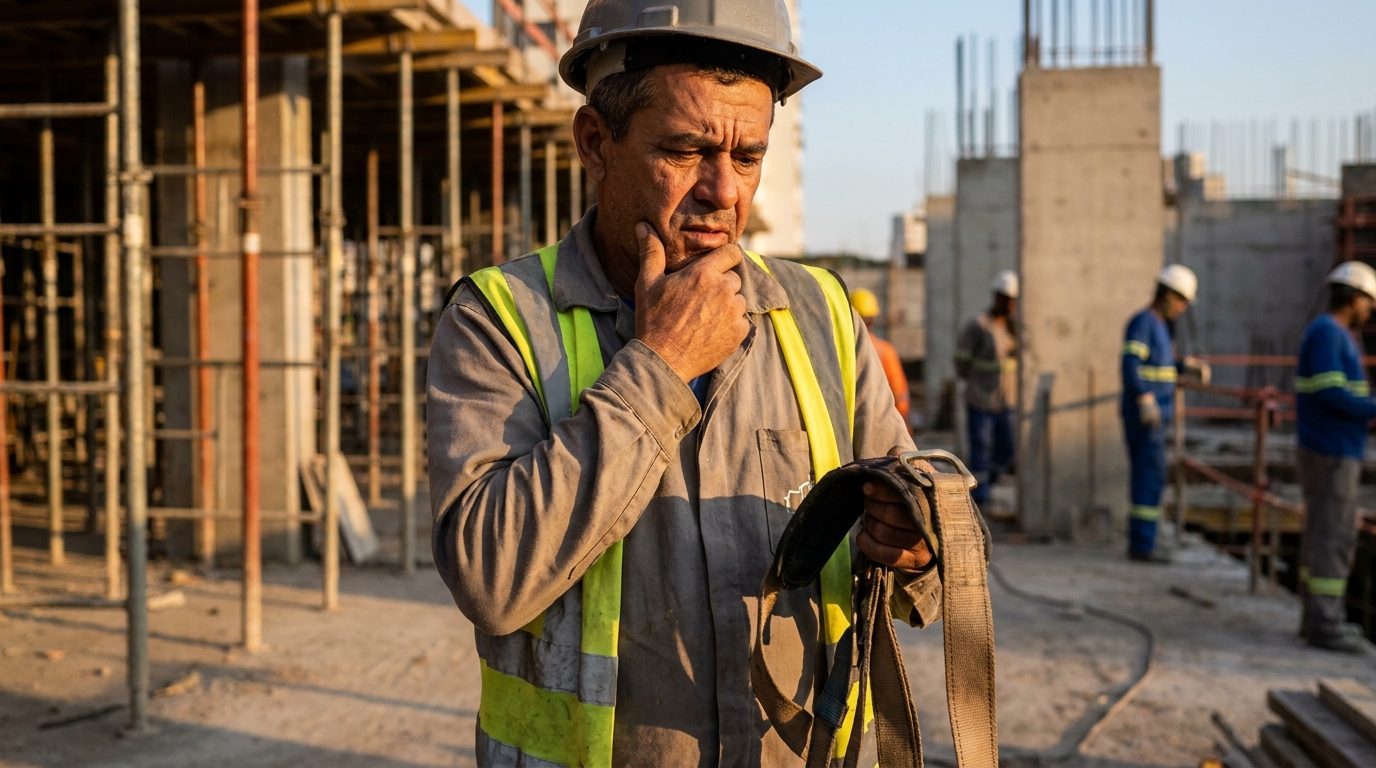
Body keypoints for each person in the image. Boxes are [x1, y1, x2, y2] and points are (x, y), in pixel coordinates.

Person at [426, 2, 942, 764]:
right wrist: (660, 367)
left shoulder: (822, 314)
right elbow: (492, 579)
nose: (724, 191)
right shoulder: (502, 319)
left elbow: (918, 544)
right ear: (596, 144)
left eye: (748, 157)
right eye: (687, 149)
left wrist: (917, 545)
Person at [1294, 261, 1376, 654]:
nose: (1370, 311)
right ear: (1354, 297)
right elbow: (1330, 392)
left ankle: (1314, 617)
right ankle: (1326, 624)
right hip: (1332, 450)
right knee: (1335, 535)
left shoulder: (1334, 334)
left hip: (1329, 446)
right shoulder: (1329, 334)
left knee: (1321, 533)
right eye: (1368, 303)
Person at [1120, 264, 1207, 562]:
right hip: (1146, 416)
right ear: (1168, 295)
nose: (1182, 308)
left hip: (1156, 415)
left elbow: (1158, 367)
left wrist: (1184, 366)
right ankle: (1143, 545)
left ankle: (1144, 540)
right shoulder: (1144, 323)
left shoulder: (1160, 326)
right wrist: (1144, 398)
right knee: (1149, 478)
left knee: (1151, 478)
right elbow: (1130, 364)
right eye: (1181, 301)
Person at [956, 270, 1019, 509]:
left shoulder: (1013, 328)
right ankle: (980, 497)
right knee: (980, 448)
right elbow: (962, 360)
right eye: (1006, 299)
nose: (1010, 305)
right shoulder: (978, 325)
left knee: (1007, 447)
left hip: (1007, 402)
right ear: (997, 297)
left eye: (1013, 300)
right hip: (981, 400)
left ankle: (990, 481)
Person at [850, 288, 911, 427]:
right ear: (874, 319)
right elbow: (900, 395)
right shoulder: (884, 350)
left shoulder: (834, 350)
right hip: (880, 425)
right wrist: (904, 427)